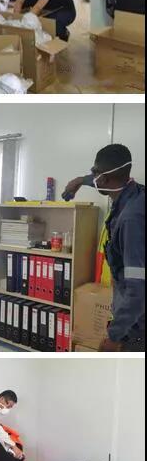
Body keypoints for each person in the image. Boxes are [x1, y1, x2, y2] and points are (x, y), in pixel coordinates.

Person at [63, 144, 145, 351]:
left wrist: (115, 337)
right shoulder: (137, 193)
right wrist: (80, 181)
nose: (92, 176)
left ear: (104, 178)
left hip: (137, 330)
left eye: (95, 172)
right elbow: (103, 180)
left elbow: (138, 288)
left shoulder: (130, 220)